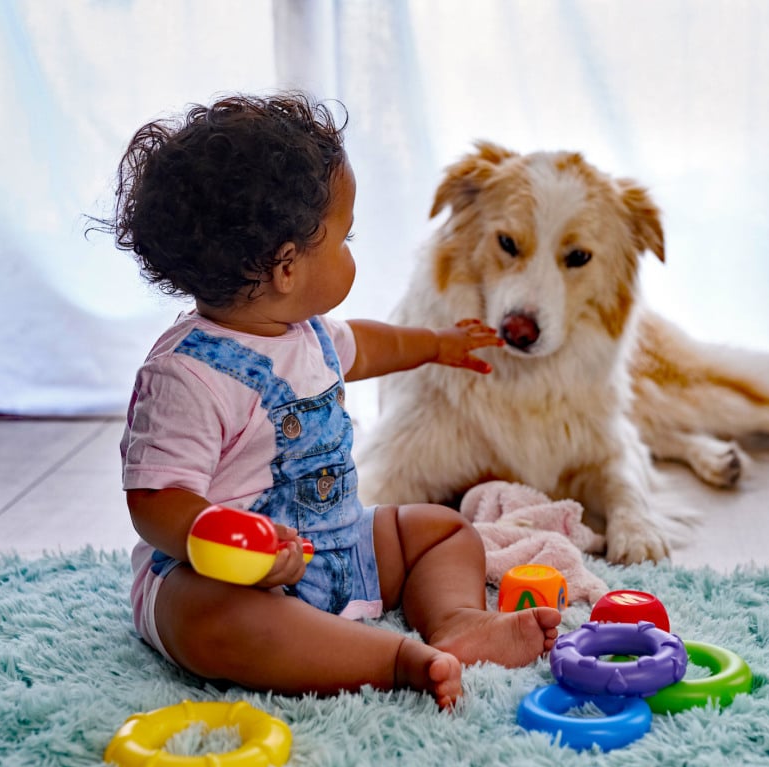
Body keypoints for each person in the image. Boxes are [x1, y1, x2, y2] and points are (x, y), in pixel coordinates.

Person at [101, 92, 561, 709]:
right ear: (287, 266)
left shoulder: (306, 332)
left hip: (339, 544)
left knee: (440, 530)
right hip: (225, 580)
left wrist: (435, 344)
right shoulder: (187, 375)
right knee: (218, 622)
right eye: (345, 237)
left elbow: (368, 347)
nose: (352, 253)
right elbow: (155, 501)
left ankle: (454, 620)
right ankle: (391, 659)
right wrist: (237, 547)